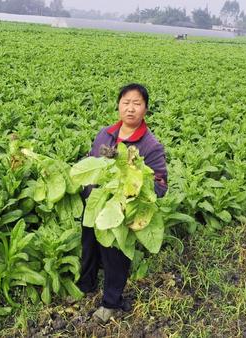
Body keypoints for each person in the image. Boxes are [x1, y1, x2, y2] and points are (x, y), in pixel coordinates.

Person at [77, 83, 168, 323]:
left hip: (122, 212)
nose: (130, 109)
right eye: (126, 103)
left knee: (115, 257)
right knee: (89, 248)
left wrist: (135, 183)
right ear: (118, 105)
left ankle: (111, 303)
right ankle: (86, 287)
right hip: (94, 205)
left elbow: (160, 186)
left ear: (145, 109)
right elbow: (90, 159)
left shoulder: (150, 145)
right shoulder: (105, 133)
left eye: (137, 104)